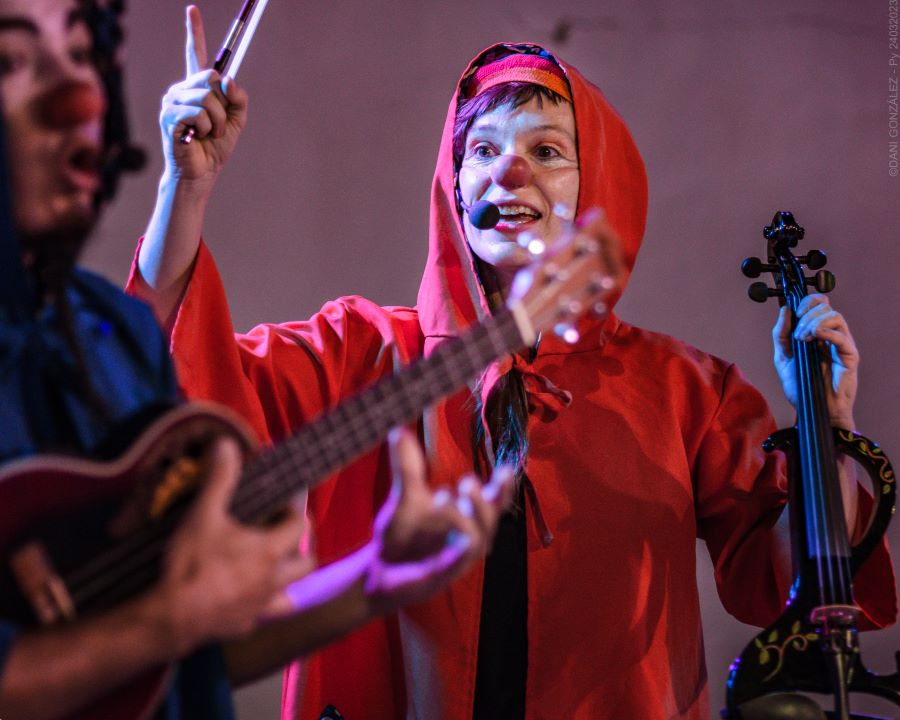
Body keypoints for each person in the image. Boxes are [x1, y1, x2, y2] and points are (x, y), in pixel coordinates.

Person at [133, 9, 897, 719]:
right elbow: (175, 392)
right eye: (483, 151)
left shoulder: (687, 390)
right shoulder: (359, 352)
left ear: (596, 185)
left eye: (547, 152)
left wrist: (828, 427)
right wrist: (185, 188)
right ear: (454, 188)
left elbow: (790, 583)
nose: (509, 173)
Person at [0, 2, 513, 719]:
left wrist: (370, 580)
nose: (78, 96)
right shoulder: (365, 347)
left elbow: (187, 657)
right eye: (13, 61)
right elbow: (196, 397)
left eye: (84, 56)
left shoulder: (93, 324)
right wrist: (183, 191)